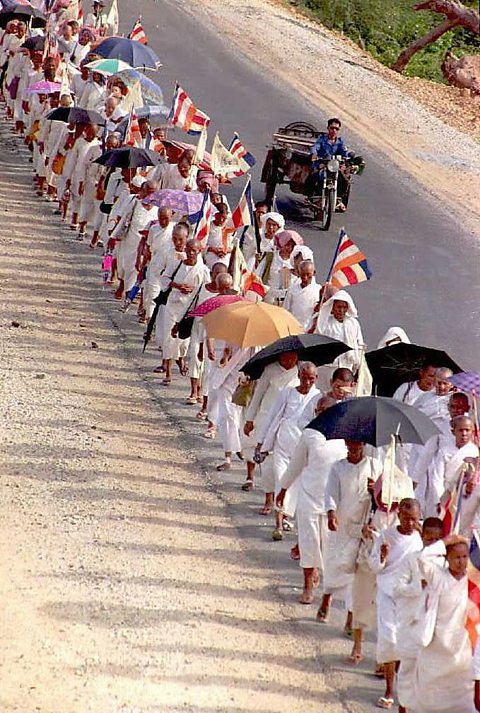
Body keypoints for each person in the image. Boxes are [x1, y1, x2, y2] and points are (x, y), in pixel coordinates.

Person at [276, 395, 346, 603]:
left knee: (328, 545)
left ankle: (321, 578)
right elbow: (296, 465)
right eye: (317, 410)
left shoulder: (345, 436)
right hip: (308, 496)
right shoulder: (309, 434)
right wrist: (283, 489)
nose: (319, 414)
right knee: (308, 541)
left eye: (324, 411)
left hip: (333, 501)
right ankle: (307, 585)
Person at [318, 441, 382, 632]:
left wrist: (375, 490)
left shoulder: (374, 466)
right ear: (346, 444)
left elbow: (384, 497)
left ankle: (350, 619)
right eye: (350, 444)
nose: (354, 448)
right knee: (337, 565)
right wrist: (330, 513)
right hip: (343, 523)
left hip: (364, 526)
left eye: (357, 445)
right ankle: (326, 597)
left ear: (363, 444)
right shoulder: (338, 468)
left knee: (357, 573)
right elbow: (330, 493)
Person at [368, 498, 423, 710]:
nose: (410, 523)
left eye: (414, 519)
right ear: (398, 515)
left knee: (406, 646)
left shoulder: (420, 541)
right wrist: (381, 557)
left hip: (410, 600)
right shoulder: (386, 536)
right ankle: (389, 689)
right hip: (387, 595)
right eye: (406, 518)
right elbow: (374, 566)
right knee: (389, 641)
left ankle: (403, 688)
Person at [255, 362, 320, 540]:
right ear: (299, 376)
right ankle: (278, 523)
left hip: (301, 449)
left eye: (311, 379)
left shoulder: (318, 397)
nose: (307, 382)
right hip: (281, 445)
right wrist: (261, 442)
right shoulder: (288, 393)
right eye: (304, 378)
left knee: (294, 485)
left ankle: (286, 516)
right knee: (280, 480)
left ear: (316, 379)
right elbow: (272, 417)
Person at [414, 535, 475, 713]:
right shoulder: (438, 576)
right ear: (447, 557)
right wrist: (446, 541)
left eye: (464, 557)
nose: (461, 562)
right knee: (430, 701)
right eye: (457, 557)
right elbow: (422, 557)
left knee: (462, 702)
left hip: (462, 652)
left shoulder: (472, 582)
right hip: (436, 649)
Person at [393, 517, 444, 713]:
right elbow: (397, 588)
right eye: (427, 539)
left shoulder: (447, 565)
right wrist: (417, 587)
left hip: (434, 632)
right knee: (406, 677)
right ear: (422, 537)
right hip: (411, 626)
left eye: (435, 540)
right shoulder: (411, 559)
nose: (430, 543)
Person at [242, 352, 299, 499]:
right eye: (286, 357)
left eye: (293, 358)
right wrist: (250, 419)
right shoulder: (270, 370)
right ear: (280, 357)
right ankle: (259, 487)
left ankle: (276, 498)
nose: (289, 361)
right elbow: (258, 395)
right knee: (259, 454)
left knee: (277, 461)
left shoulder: (300, 372)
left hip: (286, 423)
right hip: (265, 417)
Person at [159, 239, 206, 386]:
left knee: (183, 341)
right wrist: (177, 285)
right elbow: (165, 278)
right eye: (189, 250)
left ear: (199, 251)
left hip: (189, 310)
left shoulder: (203, 270)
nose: (191, 253)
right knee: (169, 338)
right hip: (173, 305)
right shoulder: (177, 264)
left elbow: (206, 289)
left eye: (194, 250)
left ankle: (180, 358)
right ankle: (168, 371)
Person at [315, 289, 364, 376]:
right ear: (332, 307)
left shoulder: (353, 323)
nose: (341, 310)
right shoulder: (325, 323)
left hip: (347, 365)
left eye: (344, 307)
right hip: (328, 367)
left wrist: (359, 363)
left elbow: (359, 344)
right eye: (339, 307)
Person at [306, 118, 350, 209]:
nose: (334, 130)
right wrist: (314, 154)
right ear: (328, 128)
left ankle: (339, 199)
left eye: (336, 129)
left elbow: (345, 152)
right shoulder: (322, 139)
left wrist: (346, 158)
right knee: (313, 176)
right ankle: (310, 196)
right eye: (332, 128)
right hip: (321, 164)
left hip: (333, 166)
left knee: (344, 179)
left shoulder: (340, 142)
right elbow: (315, 147)